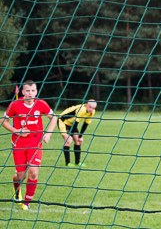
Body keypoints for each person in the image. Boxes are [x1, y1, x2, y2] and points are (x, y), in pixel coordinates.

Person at [1, 80, 57, 210]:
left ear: (36, 92)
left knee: (33, 173)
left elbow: (54, 117)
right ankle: (16, 190)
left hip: (35, 143)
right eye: (27, 91)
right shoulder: (15, 104)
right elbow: (3, 121)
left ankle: (27, 202)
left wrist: (48, 134)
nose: (30, 93)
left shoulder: (41, 104)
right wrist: (16, 131)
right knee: (20, 176)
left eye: (33, 91)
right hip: (19, 144)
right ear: (23, 92)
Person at [58, 100, 98, 166]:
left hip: (71, 124)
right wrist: (72, 135)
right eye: (90, 107)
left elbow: (85, 124)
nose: (91, 109)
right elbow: (75, 124)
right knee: (68, 140)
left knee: (78, 141)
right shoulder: (82, 110)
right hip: (63, 121)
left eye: (93, 108)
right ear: (86, 105)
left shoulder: (92, 112)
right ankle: (67, 163)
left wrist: (80, 137)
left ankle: (77, 162)